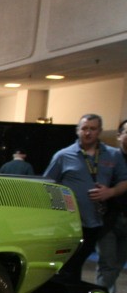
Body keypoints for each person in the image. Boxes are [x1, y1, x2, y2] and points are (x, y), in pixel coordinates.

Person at [43, 113, 127, 280]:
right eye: (84, 128)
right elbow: (48, 185)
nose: (88, 133)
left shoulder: (112, 155)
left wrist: (110, 192)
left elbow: (124, 181)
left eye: (93, 129)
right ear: (78, 130)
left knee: (81, 265)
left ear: (100, 131)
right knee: (66, 267)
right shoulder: (63, 155)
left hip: (94, 223)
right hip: (68, 224)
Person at [94, 119, 127, 293]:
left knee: (115, 267)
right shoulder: (109, 157)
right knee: (107, 265)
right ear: (119, 135)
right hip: (109, 221)